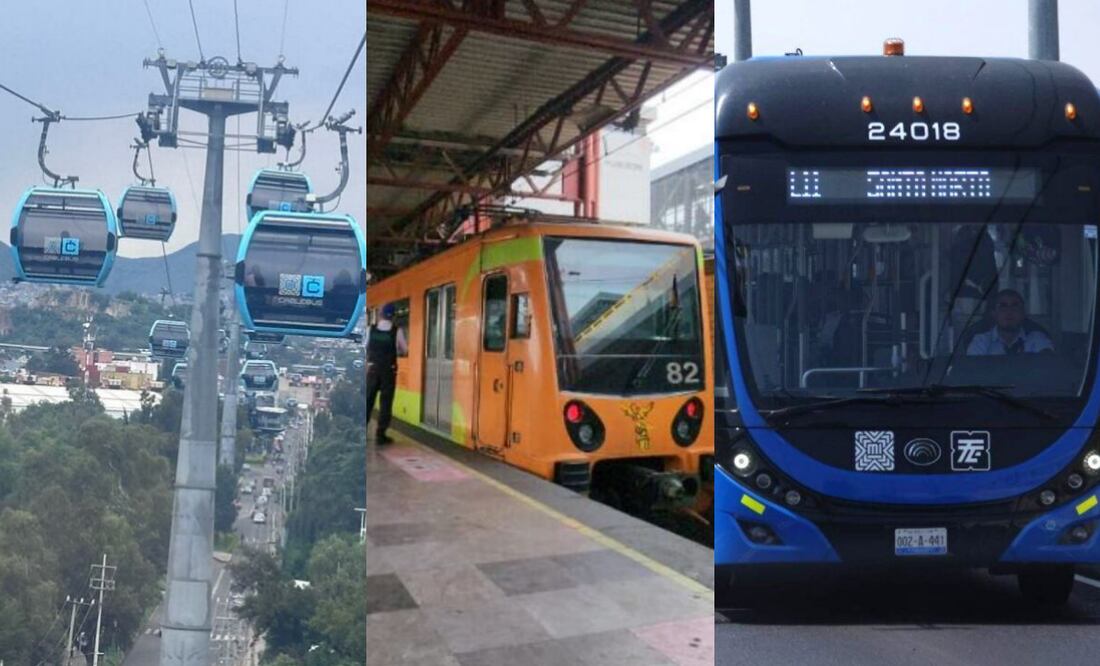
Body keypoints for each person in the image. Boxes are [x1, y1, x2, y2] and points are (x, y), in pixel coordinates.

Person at [365, 302, 408, 444]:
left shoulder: (370, 330)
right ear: (393, 317)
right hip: (388, 371)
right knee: (385, 403)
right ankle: (380, 435)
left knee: (368, 400)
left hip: (373, 369)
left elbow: (365, 347)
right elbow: (404, 350)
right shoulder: (397, 331)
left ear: (380, 314)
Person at [966, 289, 1054, 356]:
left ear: (1023, 313)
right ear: (993, 313)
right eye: (1002, 306)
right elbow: (973, 374)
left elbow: (1047, 368)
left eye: (1015, 306)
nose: (1009, 311)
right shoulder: (981, 341)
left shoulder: (1037, 338)